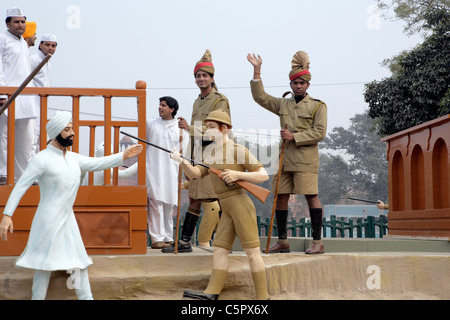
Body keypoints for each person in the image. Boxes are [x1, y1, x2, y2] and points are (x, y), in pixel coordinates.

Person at [0, 111, 143, 300]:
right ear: (56, 133)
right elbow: (20, 187)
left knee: (78, 264)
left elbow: (97, 163)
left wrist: (122, 155)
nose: (72, 133)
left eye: (72, 128)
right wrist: (7, 214)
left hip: (68, 222)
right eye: (67, 130)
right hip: (47, 223)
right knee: (43, 268)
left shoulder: (74, 158)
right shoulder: (41, 159)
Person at [171, 109, 269, 300]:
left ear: (224, 129)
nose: (208, 131)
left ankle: (263, 298)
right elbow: (196, 174)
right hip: (225, 206)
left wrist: (239, 175)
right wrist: (182, 161)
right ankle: (212, 292)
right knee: (220, 249)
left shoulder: (238, 150)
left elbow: (262, 174)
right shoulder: (211, 153)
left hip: (240, 204)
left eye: (212, 127)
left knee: (252, 252)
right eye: (207, 127)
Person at [247, 51, 327, 254]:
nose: (298, 86)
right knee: (280, 197)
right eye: (295, 83)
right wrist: (257, 70)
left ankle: (318, 242)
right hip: (284, 159)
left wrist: (295, 137)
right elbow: (260, 97)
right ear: (290, 85)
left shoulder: (318, 106)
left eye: (302, 83)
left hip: (305, 160)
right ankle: (282, 241)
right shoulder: (284, 104)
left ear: (308, 84)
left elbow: (320, 132)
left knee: (311, 197)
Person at [163, 49, 230, 253]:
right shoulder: (196, 101)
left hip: (215, 155)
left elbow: (218, 130)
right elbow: (194, 136)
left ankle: (223, 241)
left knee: (216, 198)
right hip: (196, 155)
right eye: (198, 76)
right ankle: (184, 242)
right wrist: (188, 158)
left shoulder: (219, 100)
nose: (201, 79)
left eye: (204, 75)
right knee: (194, 197)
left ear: (212, 78)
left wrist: (190, 128)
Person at [146, 96, 189, 249]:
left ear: (172, 109)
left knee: (169, 204)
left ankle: (168, 238)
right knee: (155, 203)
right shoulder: (150, 124)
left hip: (171, 171)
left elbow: (184, 152)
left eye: (163, 105)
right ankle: (157, 239)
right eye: (159, 104)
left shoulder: (180, 129)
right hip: (154, 170)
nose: (159, 107)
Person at [0, 8, 37, 184]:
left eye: (22, 21)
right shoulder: (2, 39)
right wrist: (0, 93)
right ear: (8, 23)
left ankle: (23, 176)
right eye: (16, 22)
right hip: (6, 95)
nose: (20, 25)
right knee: (4, 136)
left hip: (26, 96)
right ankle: (3, 173)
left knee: (26, 138)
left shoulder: (23, 42)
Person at [30, 33, 57, 155]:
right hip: (33, 102)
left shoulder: (48, 63)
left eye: (53, 45)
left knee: (40, 137)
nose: (50, 48)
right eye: (47, 45)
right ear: (40, 45)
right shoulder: (34, 59)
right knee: (32, 137)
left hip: (42, 104)